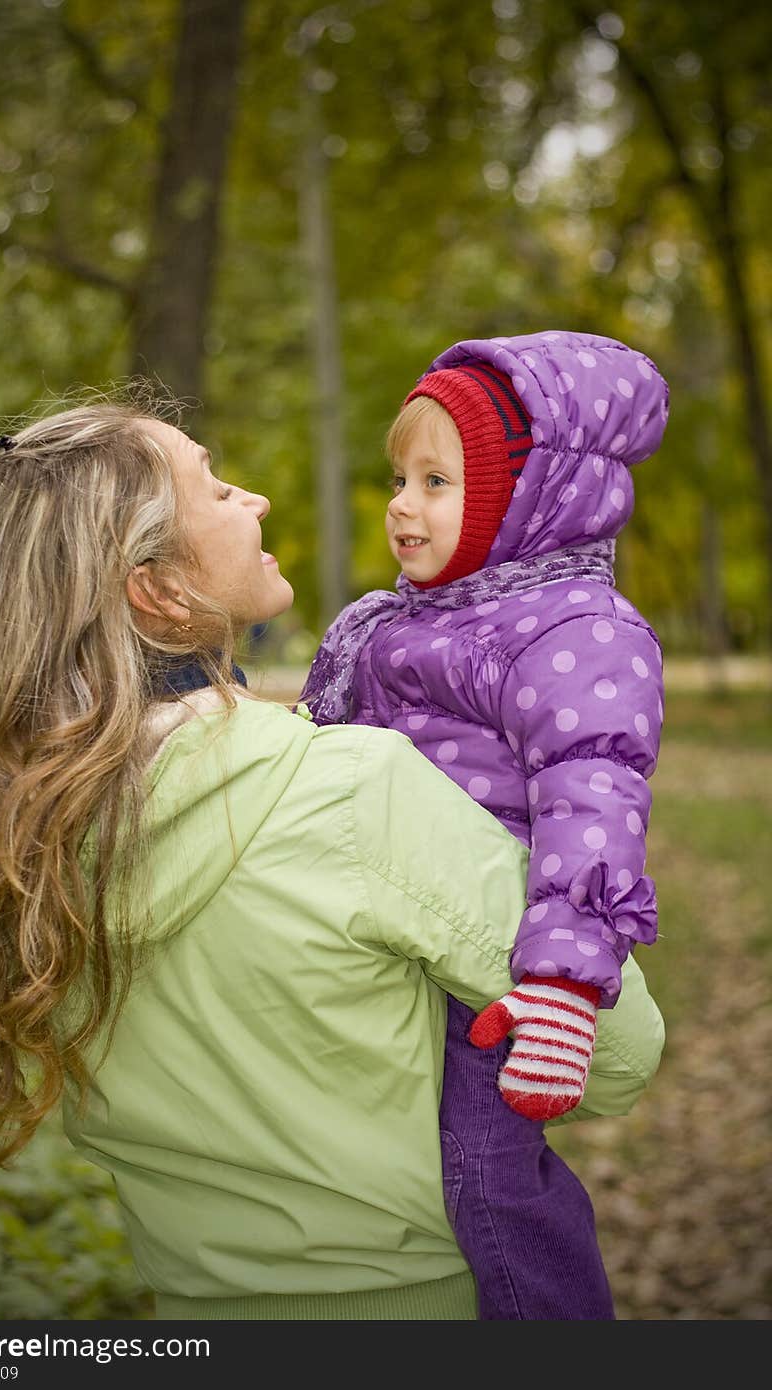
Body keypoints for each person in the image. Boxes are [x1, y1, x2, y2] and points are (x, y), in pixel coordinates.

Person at [0, 394, 664, 1322]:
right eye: (215, 489)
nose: (253, 499)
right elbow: (617, 1054)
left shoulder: (16, 839)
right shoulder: (350, 794)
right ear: (158, 591)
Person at [301, 330, 668, 1320]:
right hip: (393, 922)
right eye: (398, 477)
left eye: (437, 481)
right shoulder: (402, 621)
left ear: (528, 497)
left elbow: (592, 797)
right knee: (395, 1160)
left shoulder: (573, 628)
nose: (402, 505)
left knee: (488, 1170)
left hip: (493, 949)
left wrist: (557, 982)